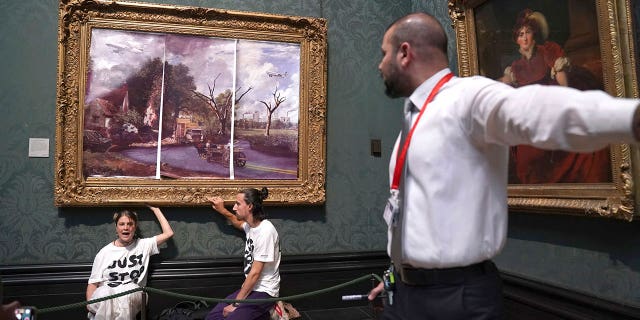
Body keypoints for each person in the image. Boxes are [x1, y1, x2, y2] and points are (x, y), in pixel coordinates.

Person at [367, 12, 640, 319]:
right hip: (403, 294)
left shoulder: (469, 97)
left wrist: (629, 118)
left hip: (456, 299)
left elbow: (536, 109)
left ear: (405, 53)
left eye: (384, 53)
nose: (380, 64)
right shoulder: (412, 116)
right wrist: (398, 276)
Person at [500, 8, 610, 184]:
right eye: (521, 34)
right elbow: (508, 88)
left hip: (553, 101)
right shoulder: (516, 67)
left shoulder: (548, 51)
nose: (525, 38)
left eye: (528, 32)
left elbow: (562, 84)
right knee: (525, 154)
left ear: (534, 35)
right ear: (517, 40)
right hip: (531, 112)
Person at [86, 206, 174, 320]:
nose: (126, 228)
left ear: (135, 227)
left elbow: (168, 233)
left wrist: (155, 209)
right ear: (116, 228)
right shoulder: (104, 253)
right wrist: (89, 306)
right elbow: (93, 284)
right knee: (105, 293)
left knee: (128, 290)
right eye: (122, 224)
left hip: (132, 295)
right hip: (107, 296)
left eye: (130, 224)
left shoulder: (144, 245)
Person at [205, 188, 280, 320]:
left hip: (265, 291)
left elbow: (255, 273)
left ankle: (269, 312)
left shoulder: (266, 231)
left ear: (250, 206)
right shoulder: (250, 226)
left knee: (231, 317)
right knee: (213, 317)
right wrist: (222, 210)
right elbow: (237, 222)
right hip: (250, 289)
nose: (234, 207)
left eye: (238, 204)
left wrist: (236, 304)